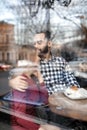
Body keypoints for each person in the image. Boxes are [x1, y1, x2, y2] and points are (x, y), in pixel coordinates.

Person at [9, 30, 80, 130]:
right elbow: (18, 73)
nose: (36, 46)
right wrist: (11, 81)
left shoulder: (61, 61)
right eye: (34, 43)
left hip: (64, 101)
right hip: (47, 108)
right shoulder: (34, 64)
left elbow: (72, 82)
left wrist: (72, 95)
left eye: (39, 42)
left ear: (49, 43)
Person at [9, 46, 49, 130]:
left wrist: (41, 79)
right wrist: (39, 129)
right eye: (37, 55)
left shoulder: (32, 78)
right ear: (29, 59)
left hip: (35, 121)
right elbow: (19, 118)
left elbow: (44, 101)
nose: (40, 58)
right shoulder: (21, 81)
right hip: (25, 126)